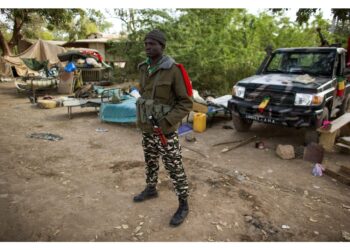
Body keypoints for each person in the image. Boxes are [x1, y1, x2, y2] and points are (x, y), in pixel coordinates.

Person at [134, 29, 193, 226]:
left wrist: (166, 122)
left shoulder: (173, 69)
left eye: (152, 44)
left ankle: (183, 203)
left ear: (162, 46)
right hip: (147, 127)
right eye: (146, 44)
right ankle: (151, 189)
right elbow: (145, 95)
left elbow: (186, 103)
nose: (148, 47)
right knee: (150, 161)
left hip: (165, 131)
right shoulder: (143, 68)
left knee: (174, 166)